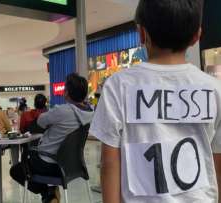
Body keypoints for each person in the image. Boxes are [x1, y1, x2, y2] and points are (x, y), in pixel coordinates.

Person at [90, 0, 221, 203]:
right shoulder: (214, 89)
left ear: (142, 34)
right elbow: (217, 164)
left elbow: (109, 163)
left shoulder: (118, 86)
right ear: (197, 35)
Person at [10, 73, 94, 203]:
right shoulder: (89, 113)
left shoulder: (62, 111)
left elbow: (41, 121)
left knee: (16, 171)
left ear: (67, 93)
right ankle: (50, 194)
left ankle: (49, 194)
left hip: (48, 163)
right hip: (74, 165)